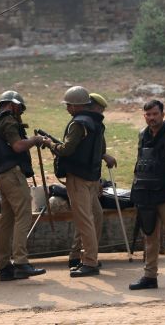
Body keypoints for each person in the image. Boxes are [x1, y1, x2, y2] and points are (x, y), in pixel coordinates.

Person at [44, 86, 116, 277]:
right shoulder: (97, 123)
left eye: (68, 105)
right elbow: (99, 151)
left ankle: (89, 262)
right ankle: (81, 256)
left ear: (76, 106)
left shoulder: (77, 124)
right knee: (95, 216)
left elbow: (66, 150)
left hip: (78, 178)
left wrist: (50, 144)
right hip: (92, 177)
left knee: (85, 220)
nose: (67, 108)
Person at [0, 90, 47, 281]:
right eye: (19, 108)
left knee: (7, 220)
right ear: (12, 105)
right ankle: (21, 262)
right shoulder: (9, 120)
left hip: (1, 175)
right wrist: (36, 140)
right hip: (12, 174)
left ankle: (4, 267)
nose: (20, 113)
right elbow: (18, 146)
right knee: (24, 214)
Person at [128, 100, 165, 292]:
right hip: (145, 193)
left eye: (154, 114)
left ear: (162, 113)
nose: (151, 118)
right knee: (150, 236)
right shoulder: (143, 134)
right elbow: (141, 163)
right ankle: (150, 276)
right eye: (148, 115)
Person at [67, 92, 113, 268]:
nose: (100, 113)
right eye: (98, 109)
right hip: (80, 177)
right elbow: (72, 150)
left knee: (94, 216)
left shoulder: (96, 125)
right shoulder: (81, 123)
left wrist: (98, 179)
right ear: (89, 106)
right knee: (85, 218)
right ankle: (80, 256)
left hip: (91, 178)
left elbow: (96, 153)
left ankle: (87, 256)